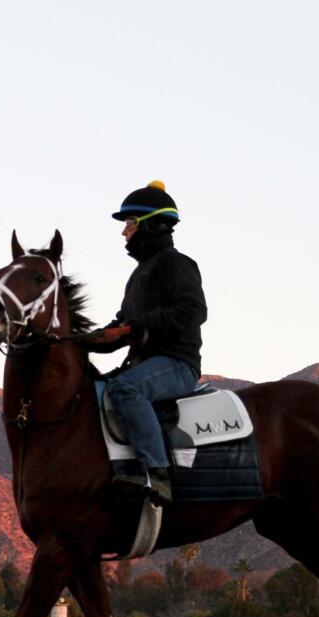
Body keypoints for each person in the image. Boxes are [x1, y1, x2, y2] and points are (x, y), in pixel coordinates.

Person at [85, 180, 207, 504]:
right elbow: (120, 330)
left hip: (177, 364)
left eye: (129, 223)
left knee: (124, 389)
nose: (124, 232)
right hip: (146, 364)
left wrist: (131, 329)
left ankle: (157, 473)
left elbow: (194, 310)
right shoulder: (136, 277)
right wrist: (76, 341)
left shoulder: (175, 263)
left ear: (150, 224)